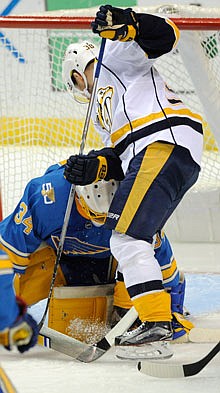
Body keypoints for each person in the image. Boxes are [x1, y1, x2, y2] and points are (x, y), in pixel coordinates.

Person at [62, 5, 203, 346]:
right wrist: (94, 166)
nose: (79, 88)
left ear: (78, 73)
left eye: (75, 81)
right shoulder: (100, 115)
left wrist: (130, 24)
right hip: (160, 152)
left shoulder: (116, 53)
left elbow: (168, 34)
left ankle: (156, 321)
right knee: (131, 237)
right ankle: (156, 317)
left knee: (125, 239)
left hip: (163, 141)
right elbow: (120, 158)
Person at [0, 162, 191, 352]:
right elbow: (7, 251)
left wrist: (171, 307)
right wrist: (10, 315)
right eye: (94, 215)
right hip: (54, 256)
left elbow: (156, 255)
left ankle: (123, 305)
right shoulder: (46, 197)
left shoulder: (136, 198)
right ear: (79, 198)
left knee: (83, 331)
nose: (100, 224)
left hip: (110, 261)